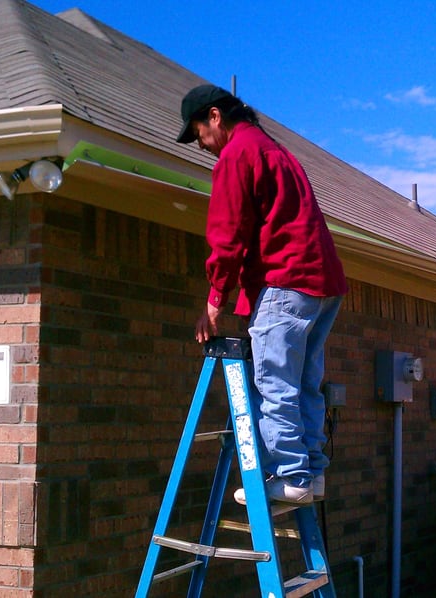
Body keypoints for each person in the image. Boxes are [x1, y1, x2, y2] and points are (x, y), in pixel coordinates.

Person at [176, 84, 348, 504]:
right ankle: (311, 473)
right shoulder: (274, 150)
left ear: (215, 116)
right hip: (322, 284)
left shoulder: (238, 154)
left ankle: (291, 476)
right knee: (304, 384)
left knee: (275, 385)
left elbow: (228, 233)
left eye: (198, 132)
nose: (200, 143)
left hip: (286, 281)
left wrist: (214, 302)